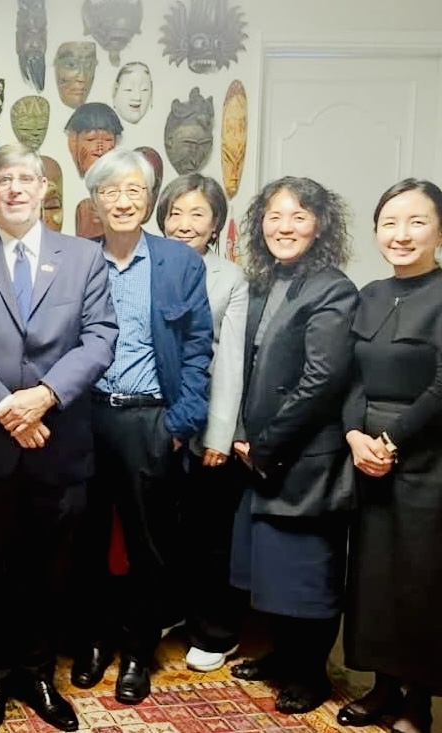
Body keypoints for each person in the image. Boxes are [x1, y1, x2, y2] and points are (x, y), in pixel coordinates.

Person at [0, 142, 117, 733]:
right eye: (2, 180)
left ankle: (38, 672)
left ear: (44, 190)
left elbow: (99, 339)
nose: (14, 189)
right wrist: (8, 405)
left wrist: (44, 397)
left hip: (58, 439)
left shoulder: (84, 258)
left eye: (25, 180)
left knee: (49, 566)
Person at [69, 149, 212, 704]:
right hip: (85, 417)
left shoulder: (179, 263)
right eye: (111, 192)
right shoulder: (78, 260)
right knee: (85, 540)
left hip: (150, 418)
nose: (123, 201)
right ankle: (94, 641)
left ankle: (136, 652)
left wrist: (180, 422)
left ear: (149, 200)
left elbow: (199, 347)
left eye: (134, 191)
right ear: (95, 203)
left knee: (150, 545)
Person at [228, 176, 358, 715]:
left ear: (320, 225)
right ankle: (283, 657)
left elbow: (322, 381)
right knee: (269, 566)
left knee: (308, 572)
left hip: (306, 457)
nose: (285, 227)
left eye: (299, 216)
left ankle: (312, 675)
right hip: (257, 450)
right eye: (275, 216)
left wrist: (265, 442)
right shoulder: (261, 282)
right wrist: (237, 433)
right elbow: (240, 364)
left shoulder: (334, 289)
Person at [338, 179, 442, 733]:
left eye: (417, 222)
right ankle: (380, 687)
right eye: (390, 223)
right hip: (367, 455)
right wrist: (355, 436)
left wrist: (393, 440)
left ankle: (418, 701)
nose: (401, 235)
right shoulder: (371, 293)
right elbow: (351, 376)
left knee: (420, 580)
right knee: (372, 576)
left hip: (427, 457)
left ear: (439, 230)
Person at [156, 174, 248, 672]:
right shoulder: (147, 263)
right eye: (176, 212)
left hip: (207, 422)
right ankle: (172, 610)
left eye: (198, 214)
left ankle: (216, 631)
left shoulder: (229, 278)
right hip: (154, 423)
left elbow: (229, 361)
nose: (185, 224)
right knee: (165, 528)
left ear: (215, 224)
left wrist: (219, 434)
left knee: (211, 534)